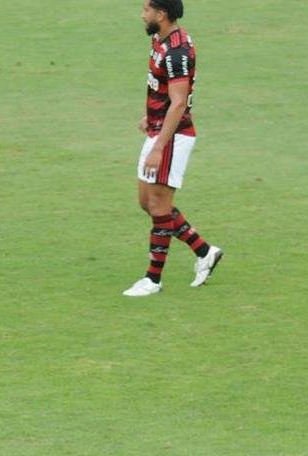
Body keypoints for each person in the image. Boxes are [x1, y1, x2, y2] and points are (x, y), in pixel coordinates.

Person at [124, 0, 222, 297]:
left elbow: (179, 101)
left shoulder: (177, 51)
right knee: (147, 202)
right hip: (158, 129)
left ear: (161, 14)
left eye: (146, 9)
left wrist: (159, 147)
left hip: (173, 136)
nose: (142, 14)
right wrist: (150, 117)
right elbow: (164, 90)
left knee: (158, 206)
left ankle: (152, 280)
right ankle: (204, 251)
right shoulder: (161, 39)